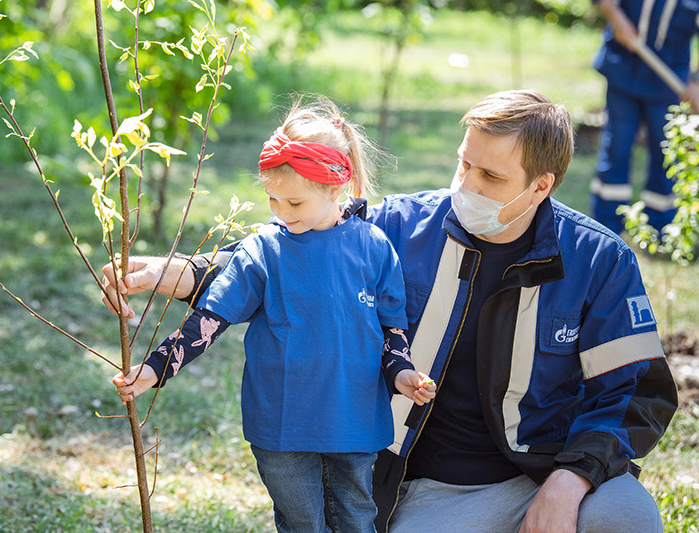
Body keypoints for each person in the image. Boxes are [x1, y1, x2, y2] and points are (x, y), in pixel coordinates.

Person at [102, 90, 678, 533]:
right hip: (431, 489)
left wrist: (570, 480)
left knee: (625, 519)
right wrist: (173, 274)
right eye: (464, 165)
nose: (466, 185)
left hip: (547, 473)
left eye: (491, 176)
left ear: (541, 186)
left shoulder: (599, 260)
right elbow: (288, 249)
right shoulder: (398, 228)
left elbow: (633, 396)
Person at [110, 97, 436, 533]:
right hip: (281, 426)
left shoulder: (374, 247)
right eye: (272, 200)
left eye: (294, 203)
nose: (281, 213)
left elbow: (392, 329)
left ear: (335, 187)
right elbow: (211, 318)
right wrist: (156, 368)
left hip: (353, 421)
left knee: (357, 520)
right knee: (302, 523)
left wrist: (402, 374)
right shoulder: (263, 249)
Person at [590, 0, 699, 234]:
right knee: (617, 148)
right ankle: (606, 227)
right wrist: (618, 20)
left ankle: (660, 229)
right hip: (622, 70)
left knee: (665, 154)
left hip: (668, 83)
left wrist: (696, 82)